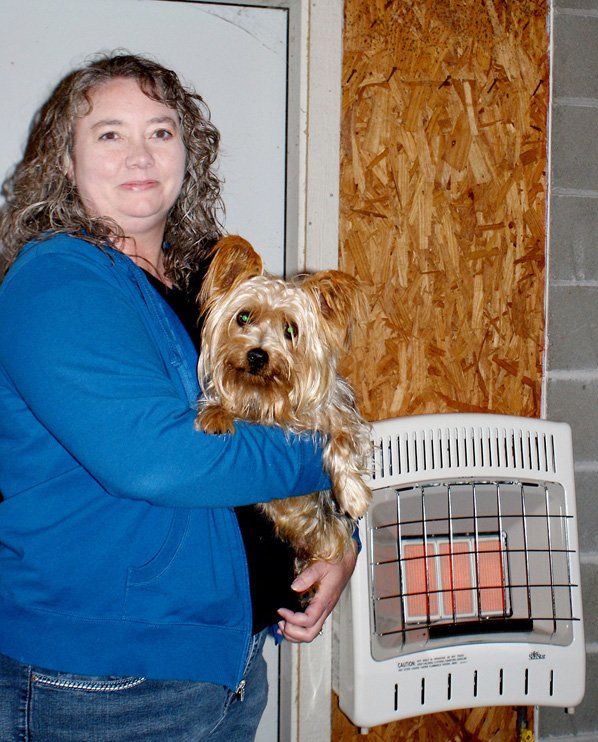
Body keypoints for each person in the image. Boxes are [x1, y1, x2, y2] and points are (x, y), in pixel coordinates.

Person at [0, 53, 358, 741]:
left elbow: (309, 399)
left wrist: (340, 537)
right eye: (109, 133)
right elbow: (157, 458)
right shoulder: (57, 283)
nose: (140, 153)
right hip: (103, 681)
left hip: (226, 661)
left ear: (187, 153)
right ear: (65, 163)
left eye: (162, 131)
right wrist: (329, 457)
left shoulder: (211, 284)